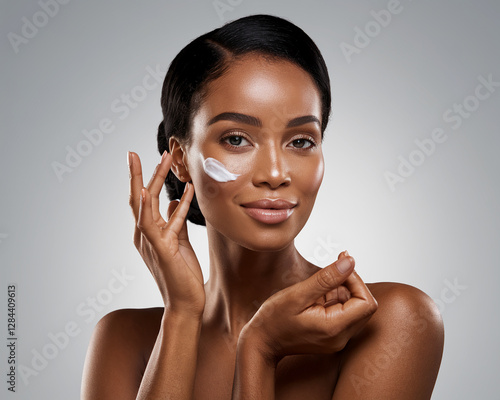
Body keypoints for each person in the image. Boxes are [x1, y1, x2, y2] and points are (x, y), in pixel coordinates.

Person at [81, 14, 444, 399]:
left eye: (301, 141)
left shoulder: (388, 319)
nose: (275, 173)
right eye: (237, 139)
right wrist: (182, 315)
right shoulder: (123, 338)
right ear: (181, 159)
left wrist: (258, 348)